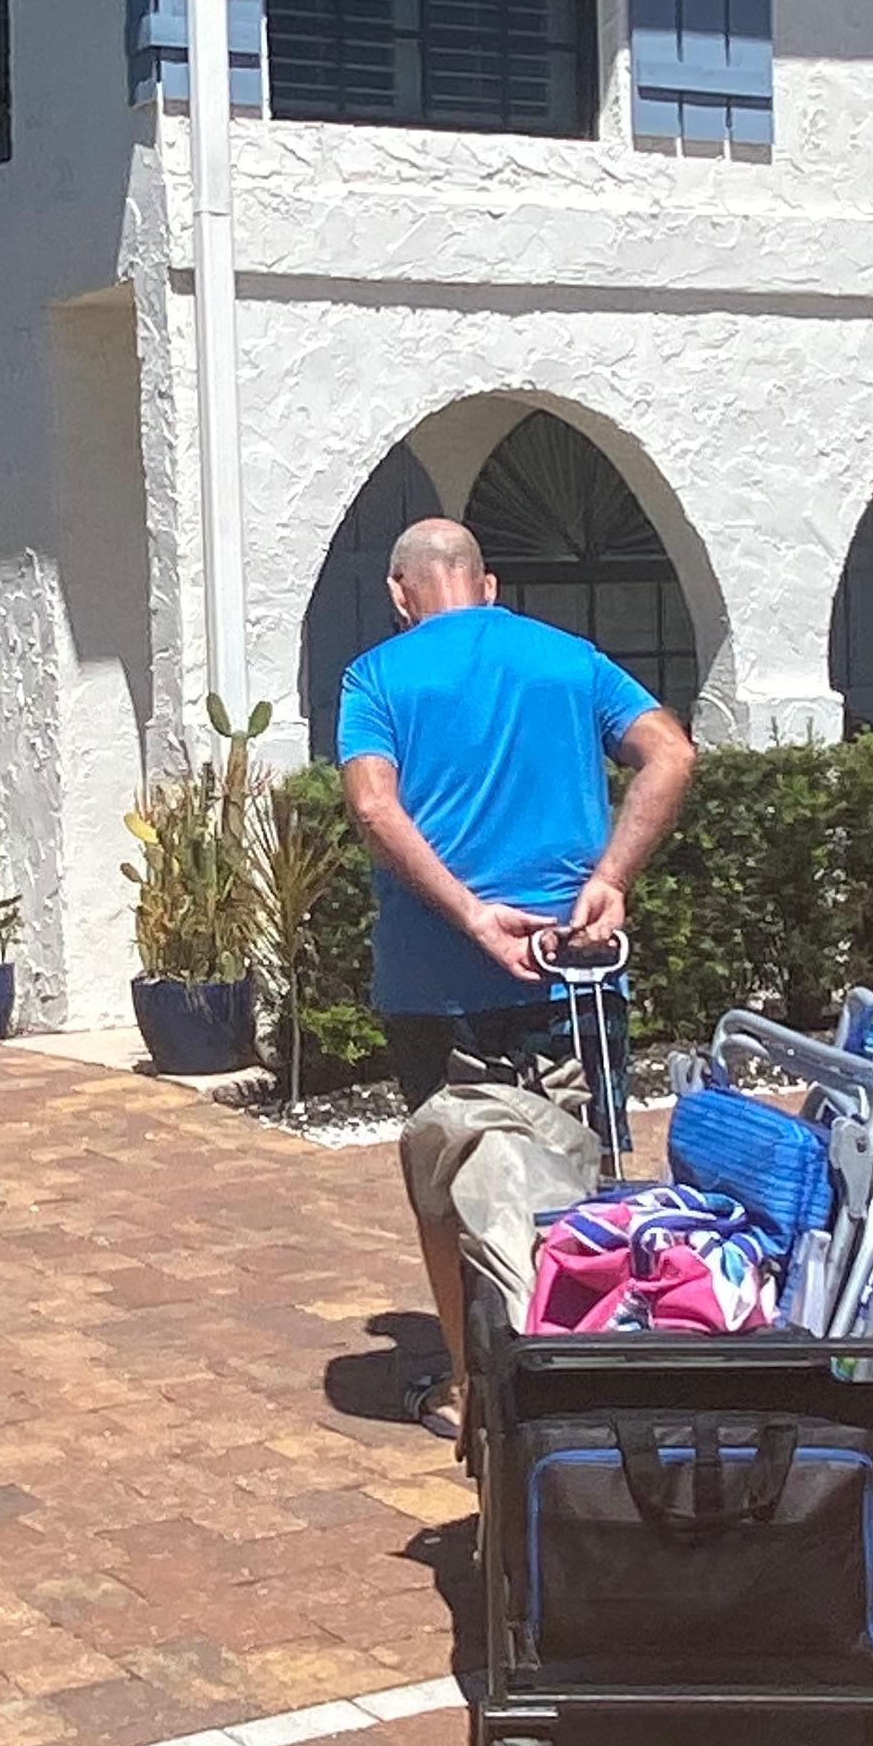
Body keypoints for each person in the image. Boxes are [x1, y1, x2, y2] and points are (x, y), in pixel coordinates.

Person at [337, 515, 696, 1436]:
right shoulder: (569, 658)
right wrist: (611, 878)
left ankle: (470, 1386)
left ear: (400, 594)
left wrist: (469, 914)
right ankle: (578, 1374)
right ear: (488, 585)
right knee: (583, 1169)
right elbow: (671, 751)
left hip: (434, 981)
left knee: (445, 1178)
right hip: (573, 975)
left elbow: (373, 806)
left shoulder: (376, 677)